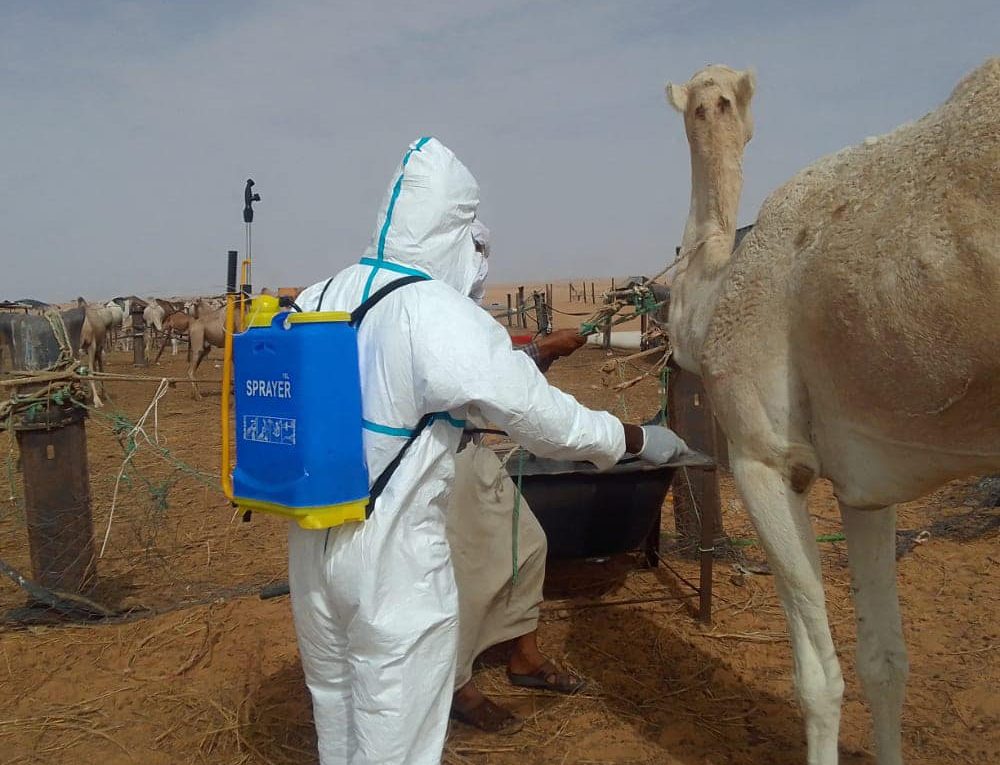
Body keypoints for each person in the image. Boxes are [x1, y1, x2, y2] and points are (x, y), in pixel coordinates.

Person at [290, 137, 709, 765]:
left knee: (338, 711)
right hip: (392, 562)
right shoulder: (431, 309)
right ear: (454, 225)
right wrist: (636, 440)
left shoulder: (318, 296)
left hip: (312, 547)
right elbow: (546, 422)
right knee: (393, 735)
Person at [448, 223, 594, 732]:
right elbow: (480, 385)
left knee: (527, 544)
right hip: (439, 463)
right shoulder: (429, 311)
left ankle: (523, 657)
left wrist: (543, 352)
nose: (482, 261)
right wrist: (542, 353)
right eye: (476, 250)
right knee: (463, 577)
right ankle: (457, 687)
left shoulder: (460, 309)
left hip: (473, 452)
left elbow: (492, 377)